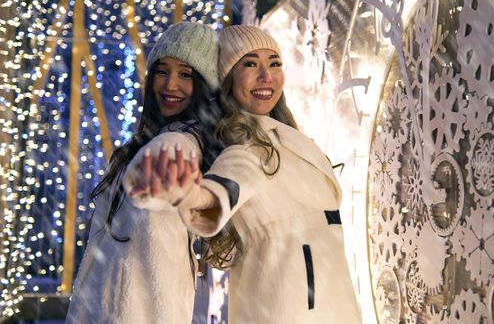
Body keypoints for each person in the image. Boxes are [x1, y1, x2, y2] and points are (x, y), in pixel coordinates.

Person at [125, 25, 362, 323]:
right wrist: (187, 193)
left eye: (274, 64)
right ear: (227, 79)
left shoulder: (286, 136)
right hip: (287, 305)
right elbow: (224, 186)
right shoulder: (244, 144)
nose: (266, 76)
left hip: (331, 298)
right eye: (250, 64)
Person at [65, 22, 223, 324]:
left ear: (206, 86)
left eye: (186, 74)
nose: (170, 85)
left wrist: (158, 178)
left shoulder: (180, 144)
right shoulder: (147, 142)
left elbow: (165, 168)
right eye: (162, 71)